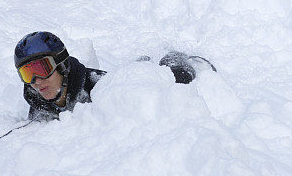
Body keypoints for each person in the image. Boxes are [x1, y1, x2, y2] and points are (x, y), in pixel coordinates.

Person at [14, 31, 206, 122]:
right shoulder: (38, 104)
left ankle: (168, 59)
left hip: (140, 81)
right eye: (27, 73)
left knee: (175, 76)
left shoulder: (99, 87)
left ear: (61, 64)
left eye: (42, 68)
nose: (36, 81)